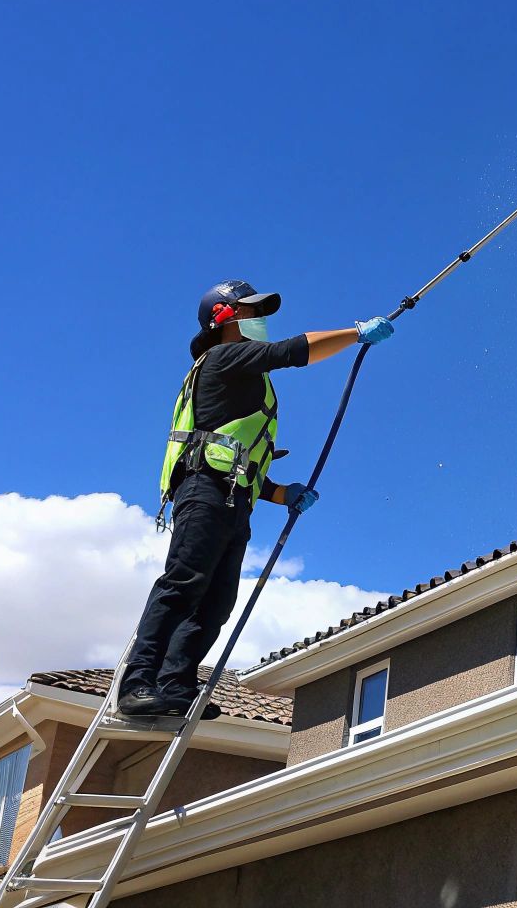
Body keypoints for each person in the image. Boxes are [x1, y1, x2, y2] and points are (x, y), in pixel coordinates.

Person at [118, 279, 394, 718]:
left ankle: (175, 685)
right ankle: (137, 684)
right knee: (183, 585)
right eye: (250, 311)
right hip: (204, 492)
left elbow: (240, 461)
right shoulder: (224, 358)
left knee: (216, 599)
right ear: (224, 319)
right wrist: (355, 332)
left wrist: (283, 494)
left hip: (230, 498)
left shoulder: (242, 378)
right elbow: (293, 351)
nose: (259, 319)